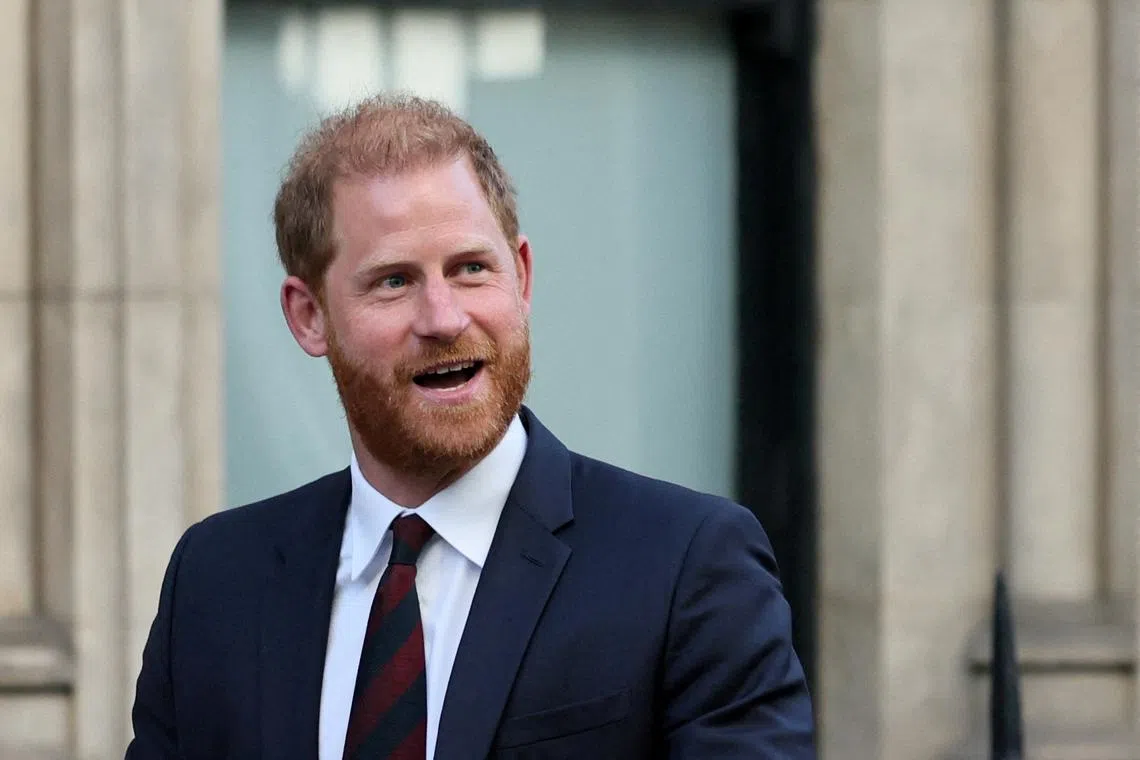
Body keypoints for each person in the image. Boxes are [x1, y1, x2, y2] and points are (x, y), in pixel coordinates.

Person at [126, 94, 815, 760]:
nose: (444, 318)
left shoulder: (687, 566)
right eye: (394, 281)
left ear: (520, 275)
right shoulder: (216, 582)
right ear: (309, 317)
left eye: (471, 269)